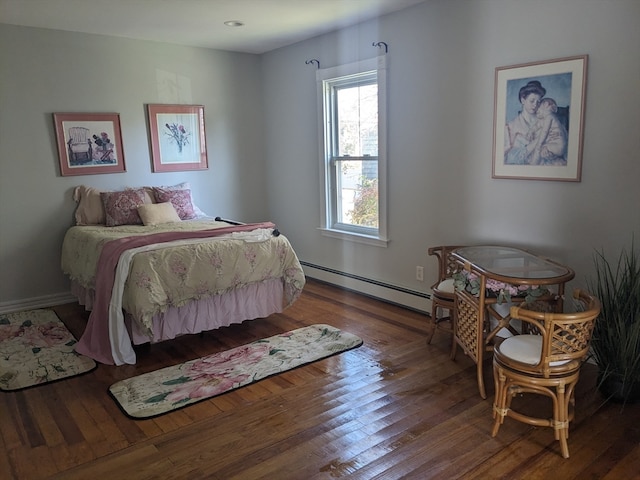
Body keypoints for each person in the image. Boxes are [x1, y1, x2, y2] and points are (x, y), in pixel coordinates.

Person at [504, 80, 546, 165]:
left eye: (538, 102)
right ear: (523, 100)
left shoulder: (545, 121)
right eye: (532, 101)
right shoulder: (511, 126)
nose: (535, 105)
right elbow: (509, 158)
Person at [525, 97, 568, 165]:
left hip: (558, 145)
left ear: (546, 104)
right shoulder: (545, 119)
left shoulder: (549, 116)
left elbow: (544, 132)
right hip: (555, 146)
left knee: (538, 149)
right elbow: (537, 125)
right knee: (542, 152)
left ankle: (533, 164)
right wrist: (531, 131)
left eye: (539, 108)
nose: (537, 111)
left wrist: (539, 144)